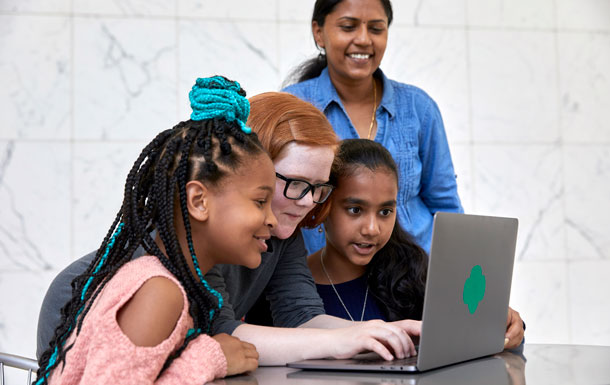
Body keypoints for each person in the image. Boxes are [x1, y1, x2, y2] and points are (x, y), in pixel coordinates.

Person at [37, 91, 420, 369]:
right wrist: (342, 341)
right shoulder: (184, 254)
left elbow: (299, 315)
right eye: (294, 185)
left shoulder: (281, 231)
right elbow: (220, 332)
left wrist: (373, 332)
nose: (308, 202)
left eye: (319, 189)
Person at [35, 76, 277, 384]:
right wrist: (209, 357)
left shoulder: (169, 283)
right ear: (198, 201)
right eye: (260, 201)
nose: (273, 220)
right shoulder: (160, 292)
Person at [283, 0, 463, 254]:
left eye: (376, 29)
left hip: (412, 278)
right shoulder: (293, 109)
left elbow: (446, 207)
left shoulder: (419, 108)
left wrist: (453, 282)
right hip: (323, 282)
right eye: (348, 27)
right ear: (319, 32)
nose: (364, 39)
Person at [308, 139, 525, 349]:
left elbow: (467, 333)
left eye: (385, 212)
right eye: (355, 210)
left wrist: (507, 324)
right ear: (323, 205)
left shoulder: (411, 274)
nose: (372, 229)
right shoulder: (291, 284)